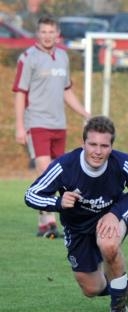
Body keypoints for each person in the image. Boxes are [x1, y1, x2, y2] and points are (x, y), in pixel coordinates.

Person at [24, 116, 128, 312]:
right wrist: (58, 203)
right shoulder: (65, 165)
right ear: (83, 143)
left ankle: (119, 310)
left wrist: (115, 214)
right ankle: (122, 285)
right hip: (77, 228)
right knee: (91, 289)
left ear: (111, 146)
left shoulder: (122, 163)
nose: (98, 151)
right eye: (92, 144)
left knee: (108, 245)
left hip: (109, 219)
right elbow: (31, 195)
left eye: (104, 146)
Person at [13, 15, 91, 239]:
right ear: (38, 33)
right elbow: (20, 93)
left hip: (59, 125)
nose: (47, 36)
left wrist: (85, 113)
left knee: (59, 176)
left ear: (58, 35)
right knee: (46, 172)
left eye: (51, 32)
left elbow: (66, 90)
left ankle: (42, 221)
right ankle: (51, 222)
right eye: (43, 31)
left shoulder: (63, 57)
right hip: (36, 123)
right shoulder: (28, 58)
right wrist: (20, 127)